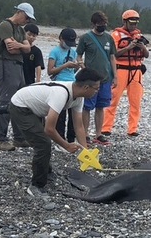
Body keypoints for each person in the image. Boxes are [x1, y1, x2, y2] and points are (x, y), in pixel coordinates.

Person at [9, 68, 104, 198]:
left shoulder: (78, 97)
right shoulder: (61, 94)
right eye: (96, 88)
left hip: (35, 107)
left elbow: (79, 126)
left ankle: (46, 172)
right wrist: (66, 145)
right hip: (21, 106)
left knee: (42, 141)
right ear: (86, 87)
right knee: (43, 143)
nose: (97, 91)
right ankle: (36, 185)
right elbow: (49, 129)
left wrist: (86, 152)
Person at [102, 9, 150, 138]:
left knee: (136, 102)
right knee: (113, 100)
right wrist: (128, 48)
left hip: (136, 72)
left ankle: (132, 129)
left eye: (136, 22)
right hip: (120, 70)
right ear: (125, 21)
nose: (134, 25)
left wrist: (142, 47)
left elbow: (146, 55)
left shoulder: (139, 35)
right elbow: (113, 54)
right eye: (132, 22)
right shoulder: (116, 35)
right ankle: (106, 127)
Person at [0, 3, 35, 151]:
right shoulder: (5, 26)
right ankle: (0, 139)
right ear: (20, 12)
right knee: (6, 102)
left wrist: (20, 46)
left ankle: (19, 138)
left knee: (19, 102)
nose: (27, 21)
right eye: (27, 17)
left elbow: (28, 48)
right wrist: (21, 46)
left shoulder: (20, 29)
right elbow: (11, 48)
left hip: (18, 67)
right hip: (6, 65)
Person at [76, 11, 117, 145]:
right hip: (91, 79)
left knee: (101, 106)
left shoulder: (109, 38)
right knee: (87, 107)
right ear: (94, 24)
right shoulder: (86, 38)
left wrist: (115, 76)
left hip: (106, 78)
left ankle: (99, 134)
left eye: (104, 24)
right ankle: (85, 134)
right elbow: (79, 55)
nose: (103, 26)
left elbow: (112, 57)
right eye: (100, 24)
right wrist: (81, 65)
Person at [47, 28, 83, 142]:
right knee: (60, 113)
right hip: (59, 83)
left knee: (73, 112)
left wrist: (77, 66)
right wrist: (65, 65)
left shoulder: (73, 52)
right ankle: (60, 138)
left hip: (72, 83)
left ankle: (71, 138)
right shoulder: (55, 52)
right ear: (61, 39)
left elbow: (73, 72)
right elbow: (50, 71)